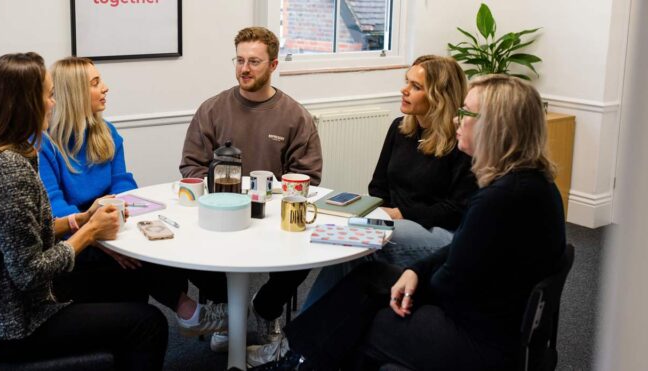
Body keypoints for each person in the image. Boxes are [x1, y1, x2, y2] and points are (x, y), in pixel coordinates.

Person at [253, 75, 567, 370]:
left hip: (478, 340)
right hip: (496, 323)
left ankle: (298, 358)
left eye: (467, 113)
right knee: (367, 282)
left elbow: (449, 284)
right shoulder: (534, 184)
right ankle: (298, 357)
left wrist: (406, 287)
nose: (458, 119)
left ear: (496, 127)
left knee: (354, 319)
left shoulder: (501, 199)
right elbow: (457, 250)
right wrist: (414, 271)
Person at [0, 52, 167, 369]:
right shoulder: (8, 170)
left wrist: (80, 219)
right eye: (48, 96)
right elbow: (30, 273)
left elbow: (32, 234)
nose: (53, 103)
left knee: (127, 281)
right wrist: (89, 232)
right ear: (25, 104)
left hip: (0, 315)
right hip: (15, 327)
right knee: (148, 323)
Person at [37, 56, 228, 339]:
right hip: (75, 241)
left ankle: (212, 306)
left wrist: (121, 213)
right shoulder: (44, 146)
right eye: (95, 83)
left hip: (112, 224)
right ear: (75, 94)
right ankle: (189, 311)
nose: (105, 88)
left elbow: (124, 183)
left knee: (173, 237)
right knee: (142, 258)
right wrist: (98, 235)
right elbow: (58, 210)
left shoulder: (107, 132)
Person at [179, 26, 323, 354]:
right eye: (240, 60)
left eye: (254, 62)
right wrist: (225, 199)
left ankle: (266, 308)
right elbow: (191, 166)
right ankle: (227, 311)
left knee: (309, 250)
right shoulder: (212, 110)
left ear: (273, 66)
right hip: (220, 213)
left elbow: (308, 176)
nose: (244, 69)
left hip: (272, 215)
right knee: (183, 251)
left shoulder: (295, 116)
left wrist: (270, 197)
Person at [300, 55, 478, 313]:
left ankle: (304, 335)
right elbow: (378, 187)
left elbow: (456, 211)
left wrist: (401, 214)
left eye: (416, 87)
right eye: (407, 82)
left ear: (439, 97)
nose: (404, 90)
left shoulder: (459, 143)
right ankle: (322, 333)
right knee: (348, 241)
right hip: (395, 222)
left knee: (360, 244)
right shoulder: (399, 129)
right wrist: (381, 213)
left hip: (442, 233)